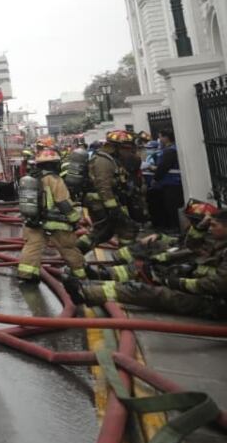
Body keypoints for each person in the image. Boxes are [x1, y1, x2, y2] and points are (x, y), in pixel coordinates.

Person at [64, 205, 227, 320]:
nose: (210, 229)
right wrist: (200, 227)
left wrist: (179, 283)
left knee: (148, 291)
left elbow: (217, 285)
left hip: (212, 303)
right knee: (145, 270)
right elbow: (192, 245)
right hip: (200, 290)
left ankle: (86, 293)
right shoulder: (218, 241)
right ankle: (93, 282)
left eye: (214, 226)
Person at [16, 148, 85, 283]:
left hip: (34, 220)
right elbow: (62, 202)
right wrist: (74, 220)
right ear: (54, 164)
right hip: (55, 221)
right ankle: (80, 275)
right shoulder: (54, 179)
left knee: (32, 247)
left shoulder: (32, 178)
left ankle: (26, 275)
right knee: (68, 247)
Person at [77, 130, 139, 254]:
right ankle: (125, 259)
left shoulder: (112, 159)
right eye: (125, 148)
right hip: (100, 203)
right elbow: (103, 186)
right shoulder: (103, 161)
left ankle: (76, 253)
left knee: (103, 232)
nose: (128, 151)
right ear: (114, 147)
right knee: (127, 229)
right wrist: (112, 208)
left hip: (102, 202)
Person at [150, 130, 183, 232]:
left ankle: (175, 228)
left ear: (166, 137)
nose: (159, 140)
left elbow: (163, 167)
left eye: (160, 137)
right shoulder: (170, 149)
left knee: (171, 206)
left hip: (171, 183)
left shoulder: (170, 151)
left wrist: (155, 179)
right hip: (172, 182)